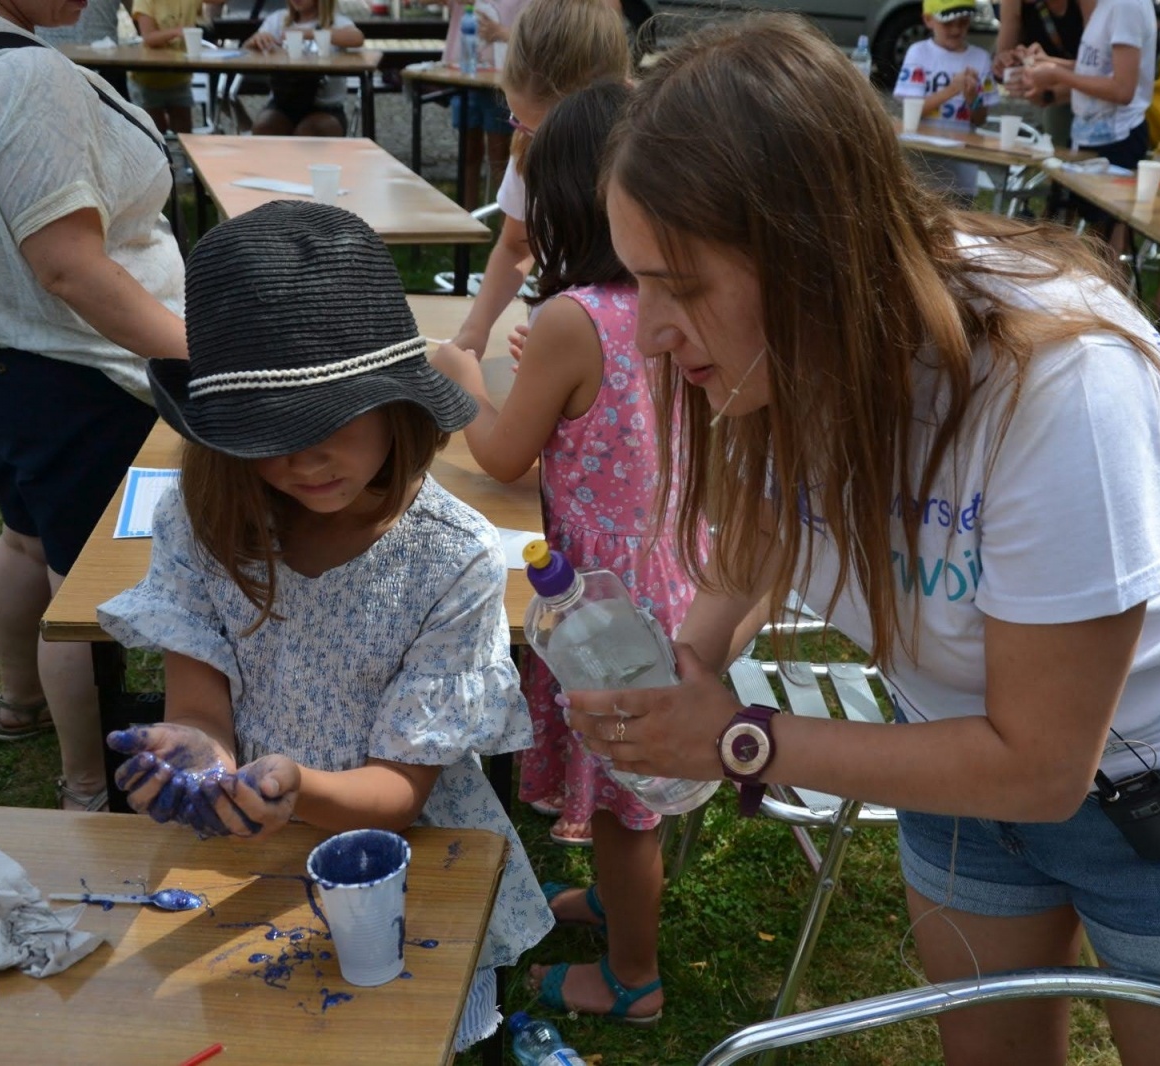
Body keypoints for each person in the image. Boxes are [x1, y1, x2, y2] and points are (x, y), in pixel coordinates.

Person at [565, 17, 1160, 1065]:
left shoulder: (1058, 385)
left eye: (680, 287)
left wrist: (738, 737)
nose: (647, 330)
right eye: (638, 278)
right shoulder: (780, 357)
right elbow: (765, 518)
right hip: (947, 759)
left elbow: (1043, 763)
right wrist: (698, 653)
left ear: (812, 257)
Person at [97, 201, 553, 1051]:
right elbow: (201, 706)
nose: (304, 460)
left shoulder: (449, 559)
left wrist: (294, 789)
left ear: (398, 406)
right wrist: (201, 753)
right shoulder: (205, 523)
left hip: (408, 864)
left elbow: (401, 790)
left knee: (392, 1036)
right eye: (269, 434)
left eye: (332, 423)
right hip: (252, 862)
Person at [0, 0, 188, 811]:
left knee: (25, 538)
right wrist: (201, 352)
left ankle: (21, 704)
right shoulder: (25, 76)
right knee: (81, 583)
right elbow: (69, 267)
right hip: (71, 369)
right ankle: (90, 787)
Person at [431, 81, 691, 1022]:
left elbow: (501, 454)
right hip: (671, 576)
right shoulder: (663, 302)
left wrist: (463, 376)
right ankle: (619, 912)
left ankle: (633, 978)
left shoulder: (576, 317)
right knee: (635, 793)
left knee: (628, 811)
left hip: (605, 606)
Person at [447, 0, 629, 358]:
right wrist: (476, 329)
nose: (537, 143)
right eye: (521, 123)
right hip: (562, 342)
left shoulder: (647, 157)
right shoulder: (528, 147)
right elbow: (517, 244)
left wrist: (580, 336)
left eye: (550, 131)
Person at [1012, 0, 1154, 171]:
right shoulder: (1104, 5)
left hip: (1117, 140)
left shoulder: (1125, 5)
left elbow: (1123, 90)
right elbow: (1094, 69)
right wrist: (1046, 62)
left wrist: (1057, 73)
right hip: (1085, 136)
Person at [895, 0, 998, 201]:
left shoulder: (981, 58)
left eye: (963, 22)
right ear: (928, 20)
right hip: (920, 167)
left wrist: (973, 100)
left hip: (961, 174)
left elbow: (979, 119)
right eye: (948, 23)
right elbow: (911, 111)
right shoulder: (919, 53)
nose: (956, 29)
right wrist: (952, 90)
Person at [443, 0, 530, 207]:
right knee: (468, 151)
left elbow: (540, 34)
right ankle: (466, 218)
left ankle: (507, 221)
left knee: (500, 154)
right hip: (464, 75)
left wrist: (503, 32)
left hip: (503, 79)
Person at [244, 0, 364, 136]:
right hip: (281, 103)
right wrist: (255, 41)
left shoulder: (337, 22)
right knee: (264, 128)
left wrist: (310, 33)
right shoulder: (278, 19)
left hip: (325, 107)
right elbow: (245, 51)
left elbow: (357, 38)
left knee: (310, 132)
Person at [993, 0, 1083, 148]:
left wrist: (1050, 67)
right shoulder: (1013, 5)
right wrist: (1013, 61)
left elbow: (1103, 71)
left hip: (1102, 95)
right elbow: (1003, 70)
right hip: (1059, 98)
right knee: (1057, 154)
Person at [131, 0, 223, 133]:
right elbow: (149, 37)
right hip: (149, 78)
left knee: (184, 133)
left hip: (179, 77)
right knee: (154, 134)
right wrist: (177, 32)